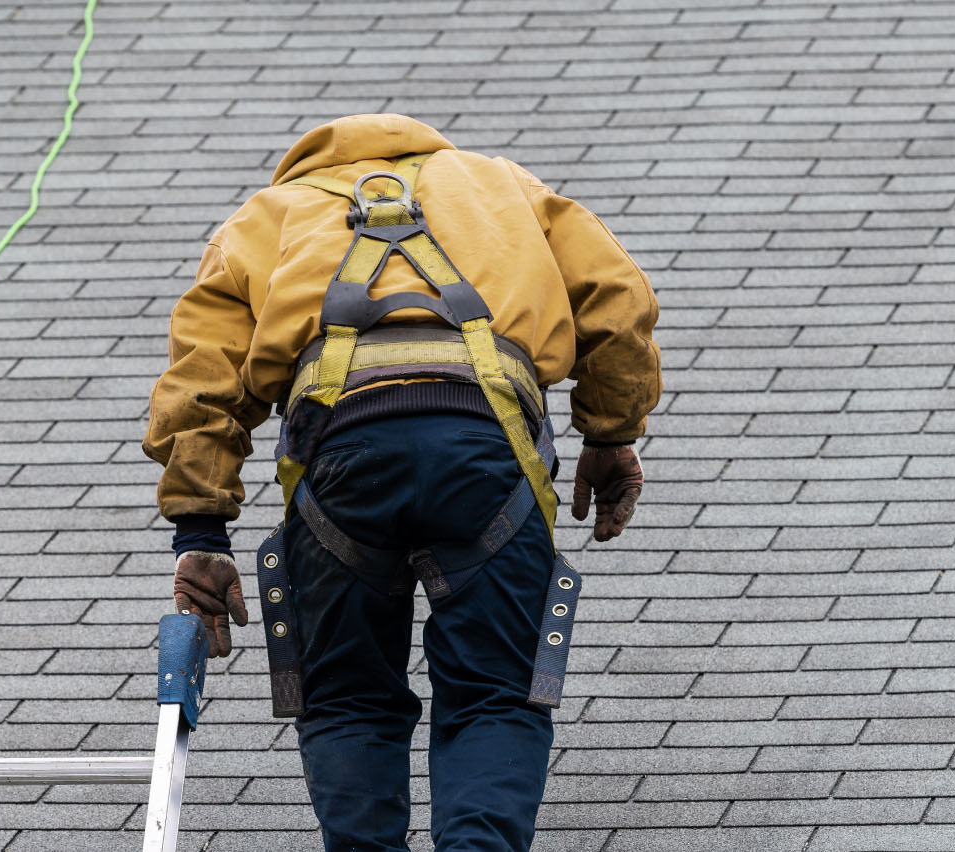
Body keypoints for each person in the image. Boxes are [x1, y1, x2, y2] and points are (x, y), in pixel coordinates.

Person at [142, 113, 660, 852]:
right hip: (485, 455)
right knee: (494, 696)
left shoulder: (267, 216)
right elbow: (619, 300)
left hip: (343, 463)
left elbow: (199, 387)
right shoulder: (500, 186)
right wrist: (610, 434)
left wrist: (200, 535)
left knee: (349, 699)